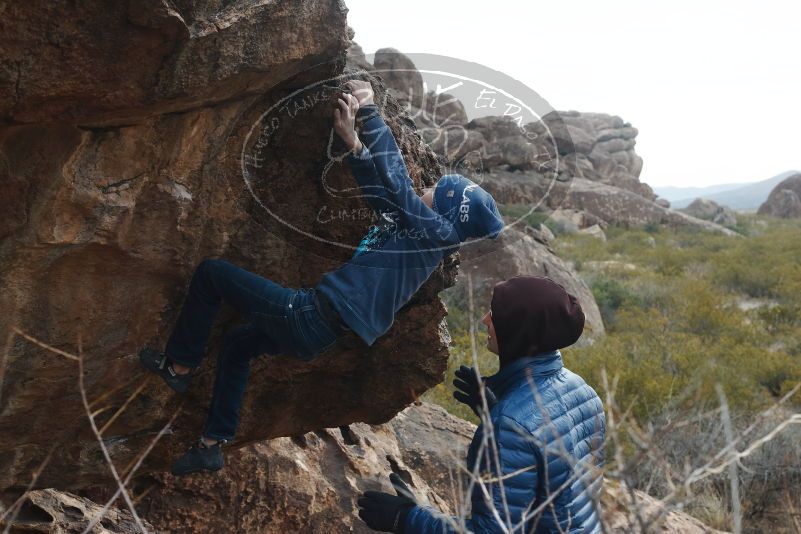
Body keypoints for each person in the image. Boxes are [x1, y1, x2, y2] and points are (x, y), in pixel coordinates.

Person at [138, 79, 505, 476]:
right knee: (237, 345)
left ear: (449, 210)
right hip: (319, 334)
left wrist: (369, 110)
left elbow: (398, 184)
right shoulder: (420, 236)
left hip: (309, 314)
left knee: (212, 274)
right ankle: (213, 443)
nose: (427, 188)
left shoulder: (436, 234)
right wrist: (355, 144)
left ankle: (178, 366)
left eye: (436, 189)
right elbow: (384, 197)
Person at [357, 276, 606, 533]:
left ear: (518, 331)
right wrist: (495, 410)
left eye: (495, 315)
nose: (485, 320)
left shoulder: (509, 425)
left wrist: (407, 519)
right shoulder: (584, 392)